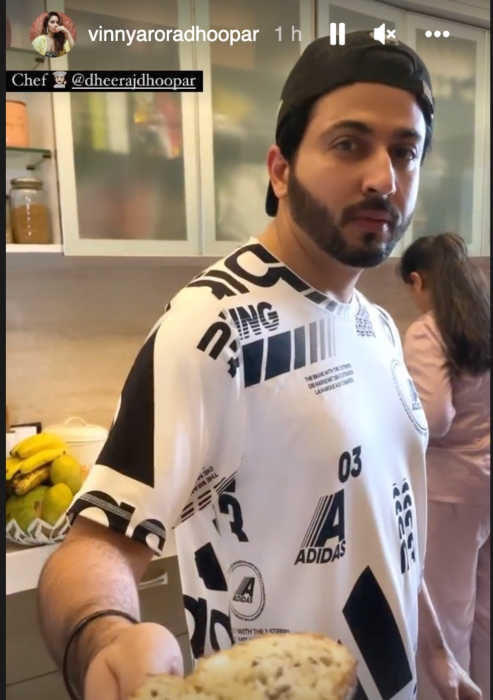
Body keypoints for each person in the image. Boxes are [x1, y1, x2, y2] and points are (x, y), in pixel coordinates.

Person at [37, 32, 481, 700]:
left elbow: (387, 526)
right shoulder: (212, 327)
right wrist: (104, 638)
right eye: (348, 144)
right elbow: (94, 545)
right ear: (280, 170)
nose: (382, 178)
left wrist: (434, 653)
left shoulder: (377, 327)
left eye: (403, 151)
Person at [398, 233, 490, 700]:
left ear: (418, 281)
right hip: (486, 482)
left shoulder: (429, 330)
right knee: (486, 614)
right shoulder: (484, 321)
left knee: (448, 614)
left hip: (451, 490)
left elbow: (434, 417)